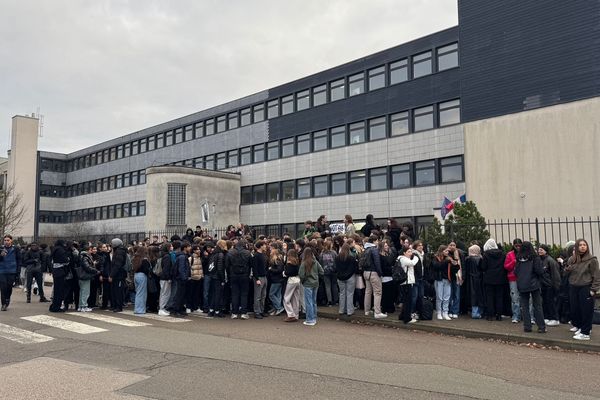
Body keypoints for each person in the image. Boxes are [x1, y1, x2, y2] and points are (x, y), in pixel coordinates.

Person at [564, 239, 600, 341]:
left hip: (586, 287)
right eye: (580, 245)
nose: (583, 247)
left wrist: (593, 290)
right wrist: (567, 269)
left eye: (584, 245)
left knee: (586, 311)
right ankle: (580, 327)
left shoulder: (592, 260)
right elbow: (565, 272)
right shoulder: (572, 259)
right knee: (576, 309)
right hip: (574, 287)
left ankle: (585, 333)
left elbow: (597, 276)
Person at [514, 241, 546, 333]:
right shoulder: (535, 258)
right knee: (537, 305)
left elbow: (516, 272)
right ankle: (541, 326)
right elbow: (539, 271)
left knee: (525, 306)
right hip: (533, 284)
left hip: (522, 284)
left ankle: (527, 326)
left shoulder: (519, 258)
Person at [481, 239, 507, 321]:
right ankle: (499, 315)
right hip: (500, 278)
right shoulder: (502, 254)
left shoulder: (486, 255)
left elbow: (483, 267)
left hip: (489, 278)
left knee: (489, 297)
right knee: (499, 297)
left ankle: (490, 315)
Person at [363, 236, 387, 319]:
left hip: (366, 272)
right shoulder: (374, 249)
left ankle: (367, 310)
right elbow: (377, 262)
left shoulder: (365, 249)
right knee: (377, 292)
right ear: (374, 241)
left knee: (368, 292)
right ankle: (377, 312)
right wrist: (380, 273)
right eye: (377, 241)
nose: (378, 242)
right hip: (373, 272)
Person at [299, 247, 324, 326]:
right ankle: (314, 317)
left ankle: (310, 319)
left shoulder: (304, 263)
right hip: (315, 283)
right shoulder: (315, 262)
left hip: (307, 284)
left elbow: (301, 275)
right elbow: (322, 272)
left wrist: (303, 281)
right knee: (313, 301)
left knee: (308, 302)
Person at [227, 239, 252, 319]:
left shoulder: (230, 252)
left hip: (233, 275)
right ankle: (243, 313)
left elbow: (227, 265)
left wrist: (229, 274)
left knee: (235, 294)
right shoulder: (248, 253)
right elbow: (251, 264)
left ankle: (234, 312)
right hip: (244, 275)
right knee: (244, 294)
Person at [538, 244, 561, 327]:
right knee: (545, 302)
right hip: (542, 285)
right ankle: (547, 317)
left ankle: (555, 318)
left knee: (551, 302)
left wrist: (556, 286)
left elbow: (555, 275)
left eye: (542, 250)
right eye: (539, 249)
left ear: (546, 251)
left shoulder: (550, 260)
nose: (540, 251)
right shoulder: (539, 260)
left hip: (549, 285)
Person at [431, 245, 455, 320]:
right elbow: (437, 266)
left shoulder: (449, 258)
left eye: (448, 251)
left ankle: (445, 312)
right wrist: (446, 261)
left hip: (447, 279)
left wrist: (455, 265)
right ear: (441, 251)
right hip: (439, 279)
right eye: (445, 251)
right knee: (439, 297)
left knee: (447, 297)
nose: (447, 252)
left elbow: (453, 269)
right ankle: (439, 312)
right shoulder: (436, 258)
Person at [397, 245, 420, 324]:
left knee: (406, 300)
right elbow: (412, 263)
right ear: (404, 253)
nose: (411, 253)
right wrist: (416, 257)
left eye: (411, 251)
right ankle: (407, 318)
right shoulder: (403, 259)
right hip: (406, 282)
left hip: (406, 282)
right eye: (408, 252)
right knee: (408, 301)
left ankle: (402, 315)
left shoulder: (401, 258)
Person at [0, 235, 22, 311]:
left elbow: (19, 260)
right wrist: (1, 256)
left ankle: (7, 299)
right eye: (5, 240)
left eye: (8, 240)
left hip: (12, 271)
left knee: (9, 287)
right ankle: (3, 304)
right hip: (2, 271)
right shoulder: (1, 248)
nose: (6, 242)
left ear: (11, 241)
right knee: (3, 288)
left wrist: (18, 271)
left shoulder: (16, 249)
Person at [335, 243, 357, 316]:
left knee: (342, 293)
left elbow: (336, 268)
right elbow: (354, 268)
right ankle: (349, 311)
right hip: (350, 277)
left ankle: (341, 310)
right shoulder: (351, 258)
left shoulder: (337, 257)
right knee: (350, 294)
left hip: (340, 277)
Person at [504, 239, 523, 323]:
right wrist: (513, 262)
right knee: (515, 298)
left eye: (519, 245)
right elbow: (506, 267)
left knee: (525, 298)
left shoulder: (524, 253)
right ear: (514, 245)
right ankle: (516, 316)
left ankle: (526, 316)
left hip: (523, 278)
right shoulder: (510, 254)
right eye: (516, 246)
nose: (518, 247)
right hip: (513, 278)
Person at [77, 244, 99, 312]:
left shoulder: (81, 256)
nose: (92, 251)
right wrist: (95, 270)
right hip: (85, 276)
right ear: (87, 250)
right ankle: (84, 306)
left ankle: (80, 306)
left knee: (82, 292)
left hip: (81, 276)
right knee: (85, 292)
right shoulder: (85, 257)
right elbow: (87, 267)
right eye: (90, 250)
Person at [208, 240, 227, 318]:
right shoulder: (220, 254)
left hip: (212, 276)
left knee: (213, 294)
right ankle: (217, 311)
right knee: (218, 295)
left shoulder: (213, 254)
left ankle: (211, 310)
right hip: (218, 277)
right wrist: (222, 279)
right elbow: (220, 268)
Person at [465, 244, 484, 319]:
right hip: (480, 278)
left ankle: (474, 312)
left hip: (470, 279)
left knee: (473, 296)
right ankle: (480, 312)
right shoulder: (480, 258)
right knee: (480, 295)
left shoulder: (468, 259)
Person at [109, 238, 128, 313]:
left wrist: (111, 275)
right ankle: (115, 306)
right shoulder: (119, 251)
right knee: (115, 290)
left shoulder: (119, 252)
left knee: (118, 291)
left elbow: (117, 265)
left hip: (119, 275)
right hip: (118, 274)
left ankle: (118, 306)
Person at [283, 249, 301, 322]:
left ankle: (290, 314)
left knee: (286, 298)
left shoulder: (289, 263)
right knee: (295, 298)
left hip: (291, 280)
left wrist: (284, 273)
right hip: (297, 279)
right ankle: (296, 315)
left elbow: (288, 273)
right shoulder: (297, 261)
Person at [379, 240, 397, 315]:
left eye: (387, 246)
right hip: (385, 277)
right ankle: (385, 308)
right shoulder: (381, 256)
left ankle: (390, 307)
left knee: (390, 292)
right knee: (386, 293)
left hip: (390, 276)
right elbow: (383, 267)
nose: (387, 247)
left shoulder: (388, 255)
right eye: (385, 246)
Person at [252, 240, 269, 319]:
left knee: (263, 295)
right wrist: (257, 278)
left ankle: (261, 310)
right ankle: (257, 311)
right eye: (264, 245)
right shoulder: (256, 255)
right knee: (258, 296)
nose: (265, 246)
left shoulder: (264, 255)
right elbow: (254, 268)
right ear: (260, 246)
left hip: (264, 277)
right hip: (259, 277)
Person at [132, 246, 151, 315]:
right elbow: (146, 270)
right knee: (142, 293)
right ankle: (140, 310)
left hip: (136, 275)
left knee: (138, 293)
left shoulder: (135, 258)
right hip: (142, 276)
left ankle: (137, 309)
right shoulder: (144, 260)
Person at [320, 238, 338, 307]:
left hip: (325, 271)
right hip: (333, 271)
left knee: (327, 286)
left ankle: (329, 301)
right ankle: (336, 300)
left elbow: (320, 262)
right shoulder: (334, 252)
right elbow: (336, 261)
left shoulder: (322, 254)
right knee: (334, 285)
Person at [267, 247, 285, 316]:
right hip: (278, 279)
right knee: (278, 295)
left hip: (276, 280)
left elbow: (279, 270)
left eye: (271, 252)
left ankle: (279, 307)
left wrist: (271, 269)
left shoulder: (277, 260)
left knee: (271, 294)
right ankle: (276, 308)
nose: (270, 252)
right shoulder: (279, 259)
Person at [447, 241, 463, 318]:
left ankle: (455, 311)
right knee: (449, 295)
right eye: (451, 245)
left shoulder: (459, 254)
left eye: (454, 245)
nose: (452, 246)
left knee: (457, 294)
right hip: (450, 277)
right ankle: (449, 310)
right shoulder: (447, 254)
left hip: (457, 277)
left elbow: (461, 265)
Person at [186, 244, 204, 314]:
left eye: (199, 249)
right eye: (197, 249)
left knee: (197, 294)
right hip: (192, 278)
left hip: (199, 278)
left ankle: (195, 307)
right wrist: (190, 276)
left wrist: (202, 275)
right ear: (194, 250)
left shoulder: (200, 258)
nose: (199, 250)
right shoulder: (191, 258)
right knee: (190, 293)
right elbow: (188, 268)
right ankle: (188, 307)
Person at [158, 243, 174, 316]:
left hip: (163, 277)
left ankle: (162, 308)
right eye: (170, 246)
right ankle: (162, 308)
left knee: (163, 293)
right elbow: (166, 269)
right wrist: (168, 278)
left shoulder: (163, 255)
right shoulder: (167, 256)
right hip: (165, 278)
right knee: (165, 294)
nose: (172, 247)